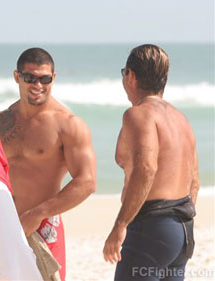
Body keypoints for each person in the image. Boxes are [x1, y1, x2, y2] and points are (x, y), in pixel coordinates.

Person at [0, 47, 97, 281]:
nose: (37, 85)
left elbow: (87, 181)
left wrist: (38, 214)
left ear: (54, 78)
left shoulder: (68, 125)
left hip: (43, 227)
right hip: (3, 225)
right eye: (30, 78)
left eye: (44, 79)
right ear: (17, 77)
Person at [103, 44, 199, 281]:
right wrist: (179, 224)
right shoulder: (180, 119)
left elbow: (146, 169)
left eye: (124, 71)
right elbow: (194, 181)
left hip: (151, 228)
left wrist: (120, 225)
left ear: (131, 76)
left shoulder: (137, 114)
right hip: (181, 231)